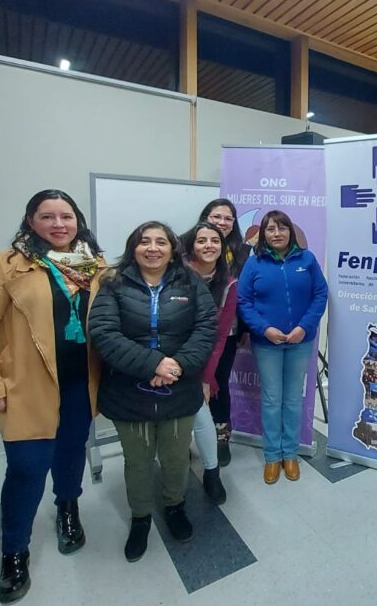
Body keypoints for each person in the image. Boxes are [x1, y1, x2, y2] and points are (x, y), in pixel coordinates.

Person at [0, 189, 106, 604]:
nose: (59, 224)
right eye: (48, 216)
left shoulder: (92, 264)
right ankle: (14, 553)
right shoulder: (7, 265)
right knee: (26, 469)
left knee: (70, 452)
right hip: (26, 385)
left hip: (82, 381)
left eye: (66, 216)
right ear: (31, 221)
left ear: (77, 220)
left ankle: (67, 508)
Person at [87, 222, 216, 562]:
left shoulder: (191, 282)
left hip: (180, 390)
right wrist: (153, 364)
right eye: (145, 241)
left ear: (173, 249)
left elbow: (206, 329)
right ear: (134, 247)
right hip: (129, 392)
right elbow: (103, 332)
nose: (153, 248)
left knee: (176, 459)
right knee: (138, 462)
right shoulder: (113, 284)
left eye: (162, 242)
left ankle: (175, 506)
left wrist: (175, 367)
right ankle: (140, 517)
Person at [236, 210, 327, 485]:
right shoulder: (254, 264)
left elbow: (320, 294)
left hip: (301, 341)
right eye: (271, 229)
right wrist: (264, 329)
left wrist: (304, 327)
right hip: (267, 342)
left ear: (291, 231)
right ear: (263, 234)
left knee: (291, 400)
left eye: (282, 228)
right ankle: (272, 456)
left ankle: (291, 454)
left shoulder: (307, 259)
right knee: (272, 400)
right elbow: (243, 301)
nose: (277, 233)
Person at [180, 198, 250, 466]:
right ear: (206, 217)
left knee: (219, 383)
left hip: (228, 330)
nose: (222, 222)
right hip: (186, 332)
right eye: (217, 216)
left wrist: (244, 327)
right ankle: (182, 440)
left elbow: (244, 293)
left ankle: (221, 439)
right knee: (186, 385)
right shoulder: (184, 252)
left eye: (228, 218)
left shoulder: (242, 252)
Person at [184, 222, 239, 505]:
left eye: (214, 241)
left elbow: (219, 338)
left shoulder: (228, 285)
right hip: (169, 357)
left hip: (203, 359)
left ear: (223, 246)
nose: (208, 245)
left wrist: (206, 378)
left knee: (203, 413)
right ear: (191, 245)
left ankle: (211, 472)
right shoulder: (175, 274)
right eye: (201, 240)